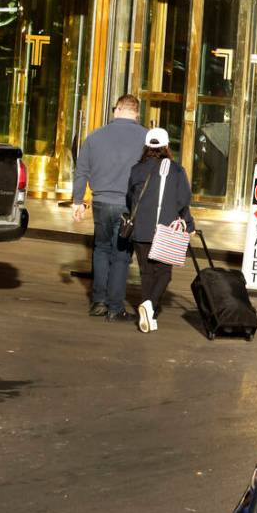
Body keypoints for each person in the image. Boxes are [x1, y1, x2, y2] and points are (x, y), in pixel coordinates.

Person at [71, 94, 147, 322]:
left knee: (101, 249)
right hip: (128, 205)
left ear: (117, 110)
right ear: (136, 112)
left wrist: (78, 201)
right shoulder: (145, 138)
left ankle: (99, 302)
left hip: (101, 202)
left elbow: (81, 170)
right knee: (121, 255)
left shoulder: (94, 137)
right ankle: (115, 307)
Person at [127, 128, 196, 334]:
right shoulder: (176, 170)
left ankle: (148, 311)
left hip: (140, 229)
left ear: (147, 147)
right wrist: (189, 225)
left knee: (146, 272)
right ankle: (149, 306)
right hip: (165, 230)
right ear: (166, 146)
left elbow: (130, 199)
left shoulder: (136, 169)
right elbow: (183, 201)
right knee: (164, 272)